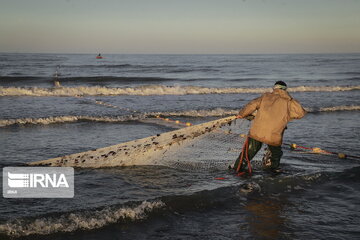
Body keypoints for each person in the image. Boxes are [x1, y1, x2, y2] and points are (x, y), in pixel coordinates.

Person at [234, 81, 306, 174]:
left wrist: (241, 114)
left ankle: (237, 168)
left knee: (249, 151)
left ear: (274, 88)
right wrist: (287, 115)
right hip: (274, 133)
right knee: (276, 153)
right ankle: (273, 169)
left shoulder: (265, 96)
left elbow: (252, 105)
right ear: (285, 90)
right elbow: (301, 113)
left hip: (258, 130)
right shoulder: (288, 101)